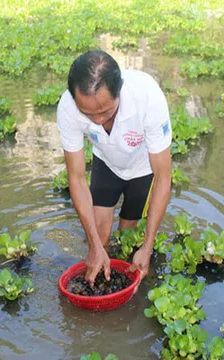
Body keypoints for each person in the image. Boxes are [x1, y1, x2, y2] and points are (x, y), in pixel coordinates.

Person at [56, 50, 172, 288]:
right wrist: (94, 247)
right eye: (88, 114)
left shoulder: (147, 97)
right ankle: (102, 264)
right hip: (106, 161)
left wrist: (147, 247)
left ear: (119, 91)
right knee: (99, 236)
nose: (98, 120)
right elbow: (77, 179)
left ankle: (129, 268)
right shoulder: (68, 108)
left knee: (128, 231)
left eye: (106, 112)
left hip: (143, 168)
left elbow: (163, 177)